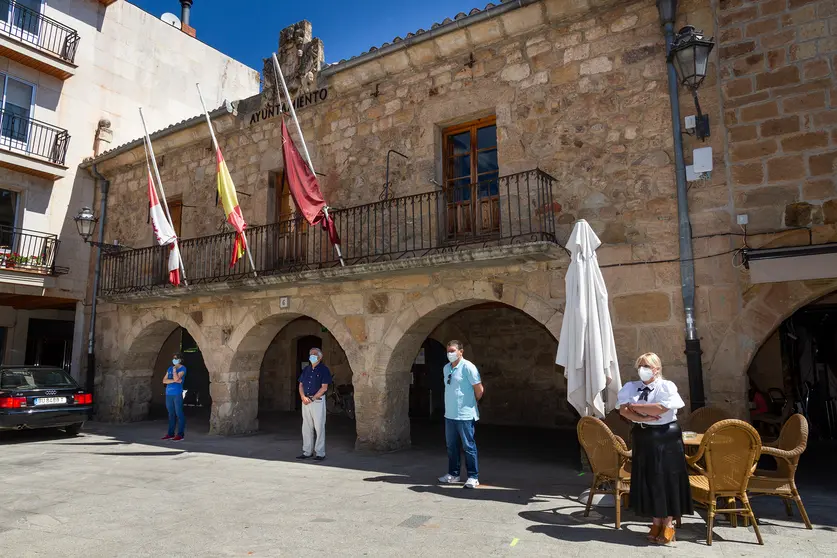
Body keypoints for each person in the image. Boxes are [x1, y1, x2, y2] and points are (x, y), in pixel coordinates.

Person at [617, 352, 692, 545]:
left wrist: (635, 407)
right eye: (640, 365)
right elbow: (623, 410)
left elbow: (662, 408)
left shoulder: (666, 386)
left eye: (647, 366)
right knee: (649, 478)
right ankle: (655, 521)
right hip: (643, 435)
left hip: (666, 437)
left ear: (657, 368)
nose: (643, 369)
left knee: (666, 478)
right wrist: (641, 416)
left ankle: (668, 523)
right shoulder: (631, 387)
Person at [438, 340, 484, 489]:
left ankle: (473, 476)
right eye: (448, 351)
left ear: (461, 352)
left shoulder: (468, 367)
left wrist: (471, 402)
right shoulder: (446, 368)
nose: (449, 354)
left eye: (452, 351)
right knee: (451, 446)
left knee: (468, 446)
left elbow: (479, 390)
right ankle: (453, 474)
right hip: (450, 414)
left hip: (464, 415)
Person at [297, 347, 332, 461]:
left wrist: (312, 398)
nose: (312, 355)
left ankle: (320, 453)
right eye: (310, 353)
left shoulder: (324, 370)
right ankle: (307, 451)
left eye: (314, 354)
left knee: (319, 426)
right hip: (306, 401)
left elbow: (324, 388)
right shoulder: (307, 369)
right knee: (306, 427)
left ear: (320, 357)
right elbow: (301, 384)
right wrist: (303, 397)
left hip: (317, 401)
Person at [162, 352, 187, 441]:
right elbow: (164, 381)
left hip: (177, 393)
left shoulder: (182, 368)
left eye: (176, 358)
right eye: (173, 358)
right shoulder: (169, 368)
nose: (174, 360)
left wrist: (174, 371)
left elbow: (177, 379)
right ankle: (170, 433)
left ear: (180, 360)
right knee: (171, 414)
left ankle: (180, 434)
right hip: (169, 393)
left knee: (179, 413)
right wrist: (174, 380)